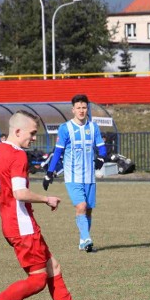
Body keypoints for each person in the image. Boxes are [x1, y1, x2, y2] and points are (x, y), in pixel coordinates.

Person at [0, 110, 103, 300]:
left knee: (53, 268)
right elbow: (20, 193)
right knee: (37, 281)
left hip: (10, 224)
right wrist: (46, 199)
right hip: (23, 227)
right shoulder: (17, 156)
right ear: (17, 131)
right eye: (32, 133)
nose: (34, 138)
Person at [43, 94, 107, 253]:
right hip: (72, 176)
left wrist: (101, 157)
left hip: (89, 176)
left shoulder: (93, 127)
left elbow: (102, 147)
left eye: (84, 107)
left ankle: (83, 240)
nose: (81, 110)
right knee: (81, 206)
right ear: (73, 110)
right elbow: (57, 152)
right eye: (78, 108)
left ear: (87, 109)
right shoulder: (66, 128)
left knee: (89, 209)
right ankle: (86, 239)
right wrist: (49, 173)